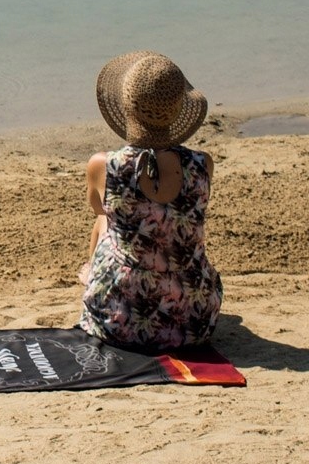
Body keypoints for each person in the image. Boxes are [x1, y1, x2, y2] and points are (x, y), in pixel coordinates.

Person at [78, 50, 223, 351]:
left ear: (127, 106)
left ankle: (93, 278)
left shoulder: (104, 166)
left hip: (121, 323)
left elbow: (98, 210)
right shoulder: (201, 164)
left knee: (104, 217)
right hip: (195, 321)